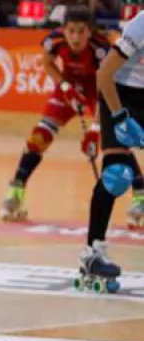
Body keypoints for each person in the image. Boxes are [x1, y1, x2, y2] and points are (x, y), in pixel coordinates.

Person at [1, 6, 112, 221]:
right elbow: (47, 63)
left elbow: (105, 89)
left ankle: (139, 195)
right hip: (67, 88)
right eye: (71, 31)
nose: (75, 38)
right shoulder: (54, 41)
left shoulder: (101, 49)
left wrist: (95, 129)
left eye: (81, 31)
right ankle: (16, 188)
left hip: (97, 91)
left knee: (115, 143)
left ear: (90, 31)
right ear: (63, 29)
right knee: (40, 136)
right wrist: (64, 86)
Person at [72, 10, 144, 293]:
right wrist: (118, 117)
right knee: (117, 174)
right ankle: (92, 253)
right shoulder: (142, 24)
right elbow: (104, 73)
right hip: (121, 94)